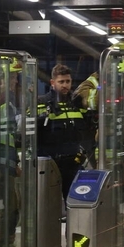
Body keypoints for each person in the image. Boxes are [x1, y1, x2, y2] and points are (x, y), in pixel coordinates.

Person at [37, 64, 89, 198]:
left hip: (74, 161)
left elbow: (87, 129)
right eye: (61, 82)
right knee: (48, 203)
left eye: (68, 81)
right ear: (52, 82)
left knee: (75, 199)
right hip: (51, 162)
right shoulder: (42, 102)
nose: (65, 85)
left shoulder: (77, 103)